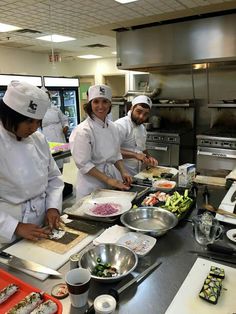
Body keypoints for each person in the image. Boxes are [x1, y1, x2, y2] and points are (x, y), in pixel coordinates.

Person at [0, 81, 64, 246]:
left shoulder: (38, 139)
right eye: (29, 121)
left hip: (41, 221)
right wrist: (15, 227)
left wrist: (52, 207)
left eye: (38, 122)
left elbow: (54, 178)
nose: (35, 128)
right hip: (8, 228)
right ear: (10, 115)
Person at [69, 84, 132, 201]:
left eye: (105, 101)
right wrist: (108, 180)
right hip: (90, 185)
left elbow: (116, 154)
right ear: (90, 104)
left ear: (110, 104)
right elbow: (84, 164)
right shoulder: (83, 130)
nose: (101, 106)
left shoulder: (112, 127)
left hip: (111, 181)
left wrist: (123, 171)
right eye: (96, 102)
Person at [115, 95, 158, 176]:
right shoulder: (121, 125)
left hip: (137, 174)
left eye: (145, 114)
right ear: (131, 108)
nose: (141, 116)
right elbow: (112, 151)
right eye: (138, 111)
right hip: (120, 174)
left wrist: (149, 157)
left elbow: (142, 148)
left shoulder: (142, 128)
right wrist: (135, 155)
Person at [41, 90, 69, 172]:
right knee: (49, 160)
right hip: (46, 137)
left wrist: (66, 127)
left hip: (59, 136)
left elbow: (64, 120)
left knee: (60, 159)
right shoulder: (39, 111)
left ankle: (60, 179)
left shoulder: (56, 109)